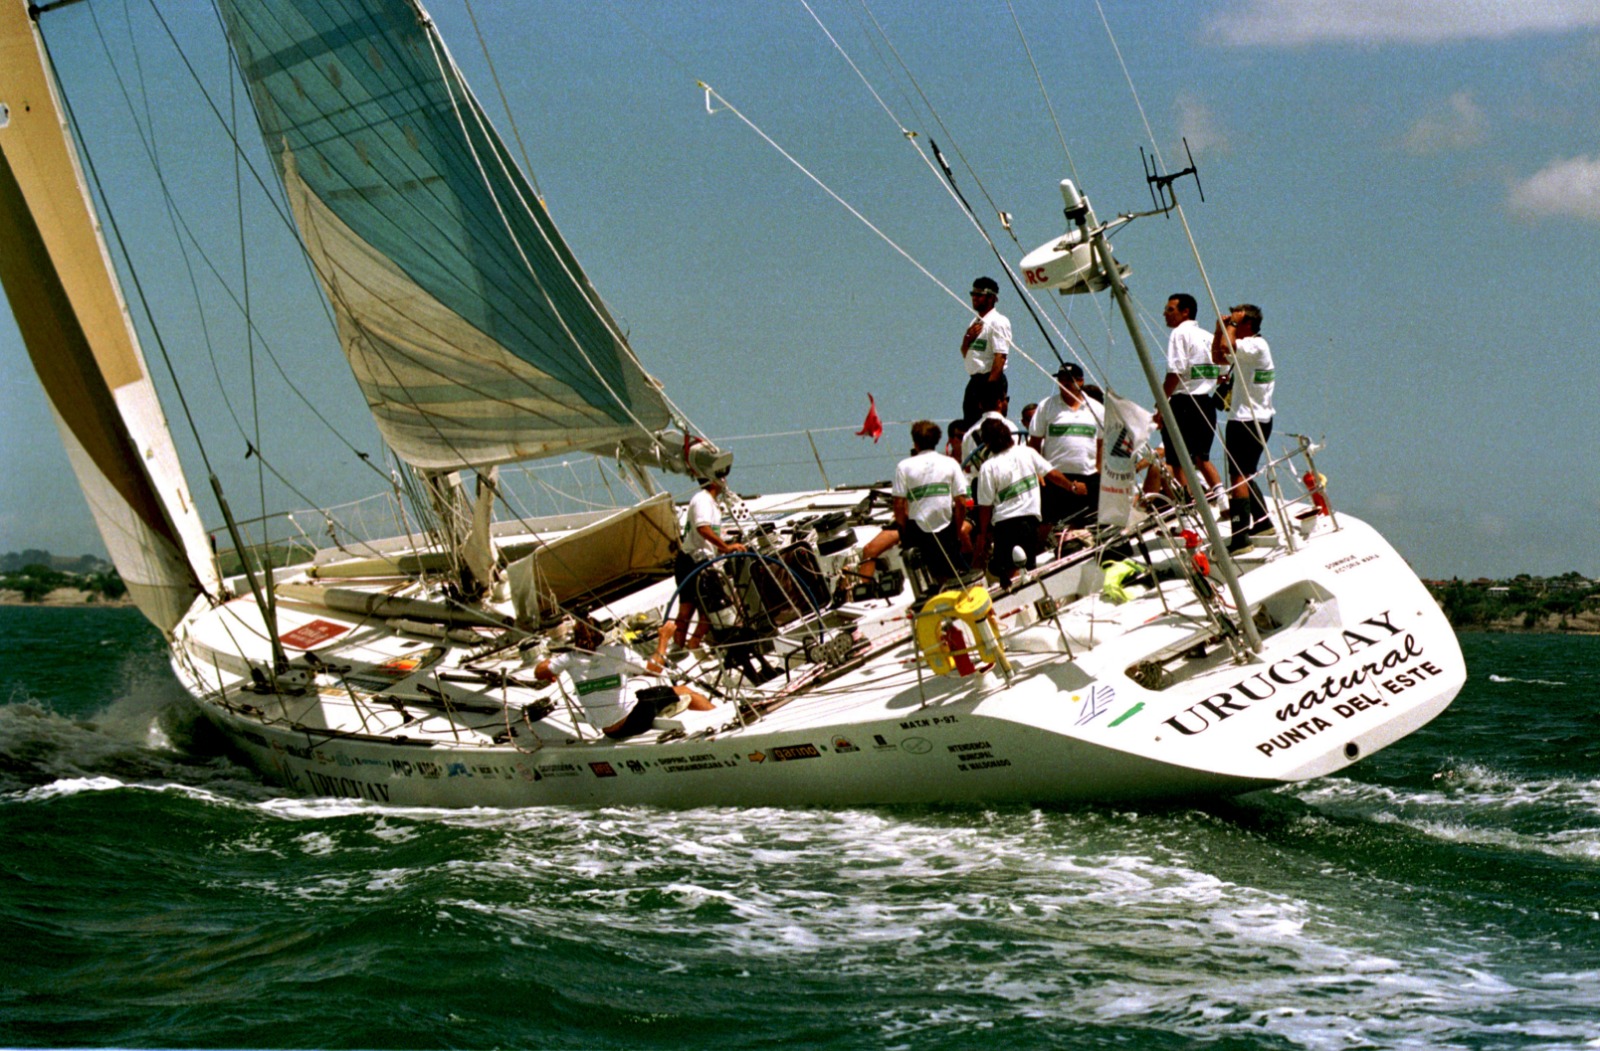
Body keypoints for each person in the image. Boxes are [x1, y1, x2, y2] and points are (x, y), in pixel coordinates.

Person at [534, 620, 713, 740]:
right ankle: (718, 721)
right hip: (631, 722)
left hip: (608, 730)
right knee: (684, 690)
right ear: (600, 634)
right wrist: (664, 638)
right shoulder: (616, 653)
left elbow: (539, 672)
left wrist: (553, 668)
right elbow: (656, 670)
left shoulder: (570, 659)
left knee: (642, 693)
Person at [856, 420, 970, 586]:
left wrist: (904, 531)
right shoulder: (951, 463)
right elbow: (960, 502)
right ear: (937, 440)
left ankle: (864, 592)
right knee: (944, 574)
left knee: (870, 550)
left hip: (917, 532)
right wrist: (956, 529)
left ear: (915, 443)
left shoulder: (904, 466)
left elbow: (899, 505)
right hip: (946, 531)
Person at [658, 470, 745, 659]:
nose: (725, 481)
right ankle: (682, 648)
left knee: (705, 608)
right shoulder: (703, 499)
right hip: (692, 560)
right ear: (714, 481)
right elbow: (702, 528)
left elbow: (707, 536)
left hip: (698, 560)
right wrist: (727, 547)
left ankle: (691, 644)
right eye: (721, 478)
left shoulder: (713, 504)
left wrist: (729, 547)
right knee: (697, 608)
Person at [972, 418, 1071, 585]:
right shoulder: (1028, 453)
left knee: (1009, 571)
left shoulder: (987, 468)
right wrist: (1073, 487)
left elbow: (985, 507)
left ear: (987, 443)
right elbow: (1052, 474)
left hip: (1004, 526)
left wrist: (983, 533)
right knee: (1026, 566)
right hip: (1029, 522)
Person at [1211, 303, 1276, 549]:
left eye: (1238, 319)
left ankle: (1240, 537)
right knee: (1245, 473)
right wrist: (1220, 329)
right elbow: (1217, 356)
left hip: (1247, 419)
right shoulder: (1247, 349)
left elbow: (1227, 346)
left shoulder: (1256, 345)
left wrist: (1232, 326)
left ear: (1247, 324)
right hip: (1252, 418)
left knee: (1238, 476)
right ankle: (1262, 521)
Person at [1157, 293, 1223, 498]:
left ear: (1185, 312)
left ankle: (1189, 504)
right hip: (1206, 403)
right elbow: (1222, 372)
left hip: (1183, 402)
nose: (1164, 314)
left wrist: (1160, 403)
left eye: (1170, 310)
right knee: (1202, 458)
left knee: (1176, 461)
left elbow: (1175, 371)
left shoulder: (1179, 334)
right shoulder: (1209, 337)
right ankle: (1222, 501)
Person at [1028, 362, 1102, 527]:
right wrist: (1038, 472)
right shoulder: (1046, 407)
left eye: (1068, 380)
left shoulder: (1096, 408)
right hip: (1054, 478)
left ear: (1080, 381)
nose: (1064, 383)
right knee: (1050, 526)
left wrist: (1099, 469)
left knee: (1090, 525)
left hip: (1088, 478)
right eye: (1061, 380)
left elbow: (1102, 442)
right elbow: (1034, 443)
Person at [959, 276, 1011, 426]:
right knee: (970, 425)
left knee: (990, 425)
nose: (974, 298)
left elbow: (1000, 357)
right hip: (975, 380)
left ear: (991, 298)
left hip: (989, 380)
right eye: (973, 294)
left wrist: (991, 388)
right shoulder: (975, 322)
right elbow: (965, 353)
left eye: (979, 295)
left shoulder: (998, 321)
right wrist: (968, 337)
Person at [960, 388, 1023, 478]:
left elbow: (966, 468)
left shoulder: (968, 435)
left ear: (980, 405)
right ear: (999, 403)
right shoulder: (1011, 427)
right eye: (1006, 399)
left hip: (981, 484)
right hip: (1009, 483)